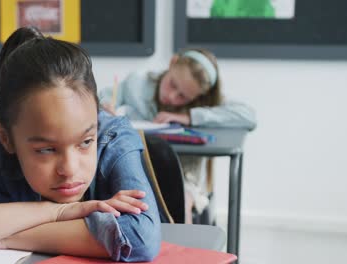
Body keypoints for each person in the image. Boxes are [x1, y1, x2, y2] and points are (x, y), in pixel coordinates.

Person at [0, 26, 161, 262]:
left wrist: (7, 237)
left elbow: (140, 239)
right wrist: (57, 213)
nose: (69, 169)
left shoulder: (113, 135)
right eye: (46, 149)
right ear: (5, 137)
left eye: (85, 142)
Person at [99, 48, 256, 224]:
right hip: (140, 168)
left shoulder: (203, 103)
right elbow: (102, 97)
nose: (172, 97)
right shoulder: (136, 83)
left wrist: (189, 116)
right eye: (172, 85)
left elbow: (247, 115)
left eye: (183, 97)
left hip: (185, 174)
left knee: (183, 200)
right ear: (172, 63)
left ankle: (182, 249)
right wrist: (104, 105)